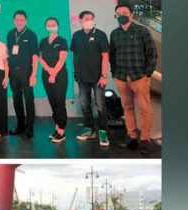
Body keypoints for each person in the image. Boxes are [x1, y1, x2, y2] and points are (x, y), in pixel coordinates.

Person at [110, 3, 158, 155]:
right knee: (127, 107)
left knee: (145, 109)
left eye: (124, 12)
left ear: (131, 15)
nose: (121, 15)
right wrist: (115, 74)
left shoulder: (142, 31)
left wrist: (147, 74)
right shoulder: (114, 33)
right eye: (119, 13)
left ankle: (145, 139)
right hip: (121, 77)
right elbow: (112, 55)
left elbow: (152, 54)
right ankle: (131, 136)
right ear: (116, 16)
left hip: (139, 77)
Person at [71, 10, 111, 147]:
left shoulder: (100, 35)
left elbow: (105, 56)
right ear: (80, 20)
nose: (89, 20)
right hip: (82, 77)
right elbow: (75, 55)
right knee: (84, 104)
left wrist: (104, 75)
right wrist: (75, 72)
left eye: (91, 18)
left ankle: (103, 131)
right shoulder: (76, 36)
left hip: (98, 78)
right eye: (86, 18)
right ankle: (89, 128)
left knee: (100, 105)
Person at [6, 10, 39, 138]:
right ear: (14, 21)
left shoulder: (31, 35)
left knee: (29, 99)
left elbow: (35, 55)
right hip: (13, 72)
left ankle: (29, 128)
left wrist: (33, 74)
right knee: (16, 99)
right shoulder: (10, 34)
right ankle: (20, 126)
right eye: (17, 20)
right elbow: (9, 54)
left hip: (27, 71)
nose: (19, 22)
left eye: (21, 20)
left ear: (26, 21)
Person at [39, 17, 69, 143]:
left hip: (59, 75)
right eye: (48, 24)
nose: (51, 26)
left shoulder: (62, 41)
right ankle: (56, 127)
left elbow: (62, 59)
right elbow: (40, 58)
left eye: (53, 24)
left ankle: (62, 131)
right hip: (46, 74)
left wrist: (54, 73)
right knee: (53, 102)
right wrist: (49, 71)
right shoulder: (43, 41)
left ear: (58, 25)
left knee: (59, 101)